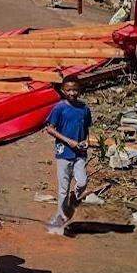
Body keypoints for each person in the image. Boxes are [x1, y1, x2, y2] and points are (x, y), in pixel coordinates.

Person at [45, 80, 92, 235]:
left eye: (75, 90)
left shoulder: (84, 109)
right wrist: (68, 141)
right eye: (69, 90)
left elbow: (86, 128)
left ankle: (75, 198)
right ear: (63, 90)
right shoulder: (59, 108)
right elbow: (50, 129)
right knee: (63, 189)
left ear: (80, 90)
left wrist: (87, 141)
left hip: (80, 153)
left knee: (83, 181)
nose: (72, 93)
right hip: (64, 152)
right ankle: (60, 220)